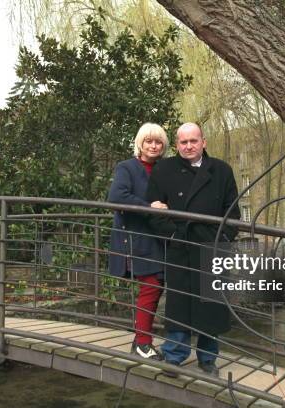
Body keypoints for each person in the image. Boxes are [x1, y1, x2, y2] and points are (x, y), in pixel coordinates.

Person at [146, 122, 240, 377]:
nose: (188, 146)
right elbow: (152, 210)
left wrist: (221, 241)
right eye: (183, 142)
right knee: (179, 304)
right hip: (180, 246)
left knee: (210, 305)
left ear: (203, 142)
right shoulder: (164, 169)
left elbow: (234, 214)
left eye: (193, 141)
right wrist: (174, 235)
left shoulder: (221, 170)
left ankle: (208, 359)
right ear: (177, 145)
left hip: (211, 247)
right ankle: (174, 355)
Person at [108, 122, 169, 360]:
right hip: (135, 238)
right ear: (140, 144)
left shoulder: (165, 169)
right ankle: (143, 342)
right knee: (151, 286)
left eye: (158, 142)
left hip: (158, 238)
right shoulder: (127, 167)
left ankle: (141, 339)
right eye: (148, 141)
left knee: (157, 285)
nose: (153, 146)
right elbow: (117, 196)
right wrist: (149, 207)